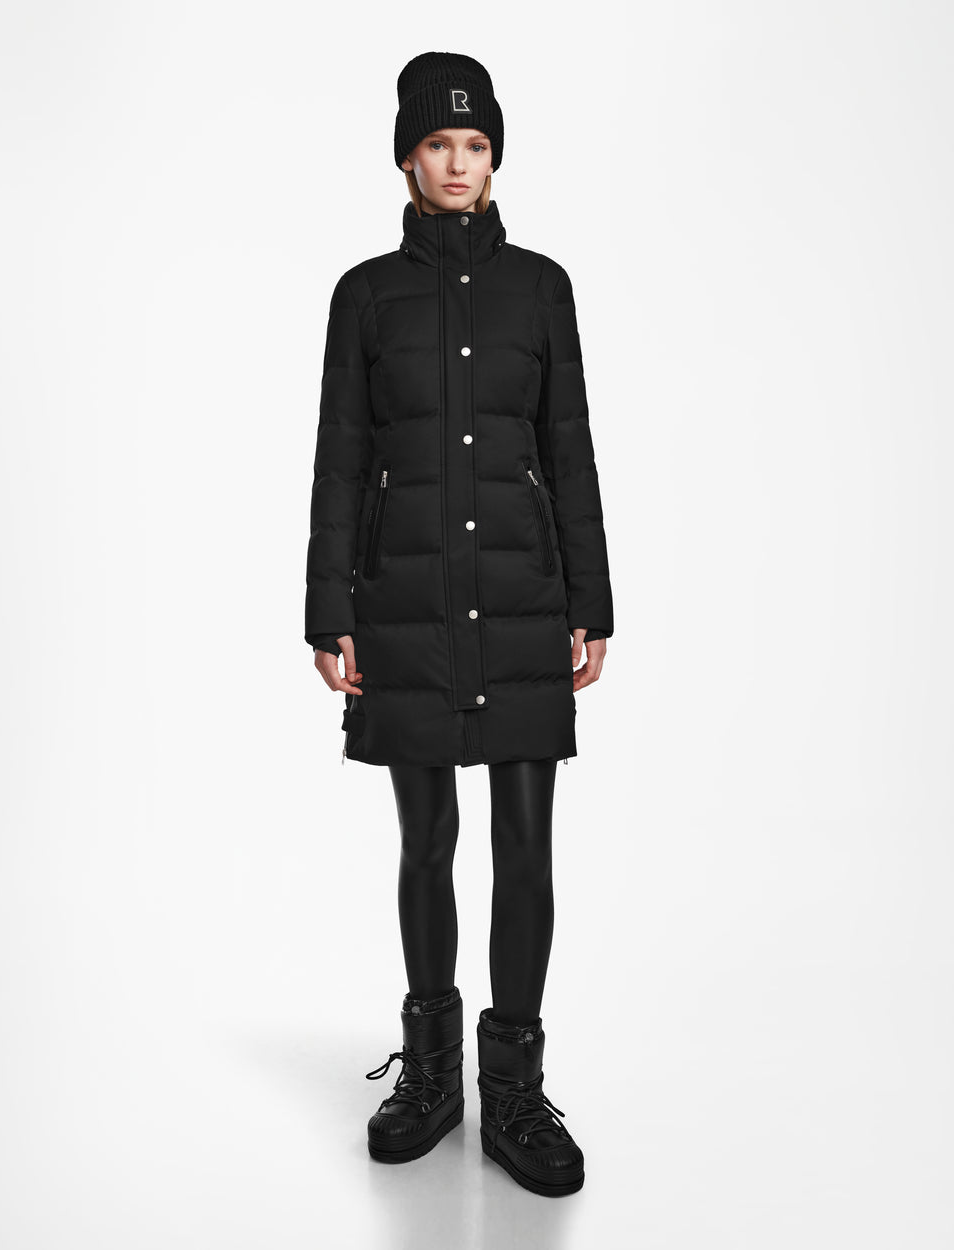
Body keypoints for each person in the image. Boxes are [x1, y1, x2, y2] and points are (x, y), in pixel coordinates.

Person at [304, 51, 613, 1198]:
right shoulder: (363, 297)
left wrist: (591, 600)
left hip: (525, 601)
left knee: (526, 844)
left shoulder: (542, 289)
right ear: (406, 157)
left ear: (493, 158)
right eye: (436, 143)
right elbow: (341, 459)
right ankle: (431, 1074)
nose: (455, 162)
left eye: (474, 144)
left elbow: (568, 450)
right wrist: (328, 607)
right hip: (407, 609)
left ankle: (515, 1091)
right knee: (425, 840)